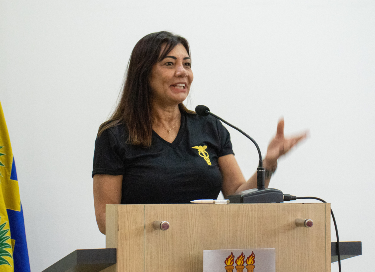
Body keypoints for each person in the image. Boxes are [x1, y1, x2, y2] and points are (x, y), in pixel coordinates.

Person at [92, 31, 307, 234]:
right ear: (143, 73)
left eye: (187, 64)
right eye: (169, 63)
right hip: (146, 259)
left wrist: (268, 163)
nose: (182, 72)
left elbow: (239, 198)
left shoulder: (209, 126)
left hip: (206, 257)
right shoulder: (115, 136)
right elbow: (106, 220)